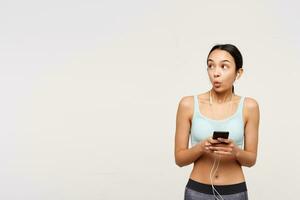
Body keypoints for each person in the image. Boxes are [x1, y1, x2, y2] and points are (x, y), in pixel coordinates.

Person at [174, 44, 260, 200]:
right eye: (210, 66)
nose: (216, 73)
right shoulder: (188, 104)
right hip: (197, 192)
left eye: (224, 66)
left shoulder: (249, 106)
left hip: (235, 192)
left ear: (238, 73)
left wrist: (235, 151)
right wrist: (201, 147)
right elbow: (179, 159)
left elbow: (251, 160)